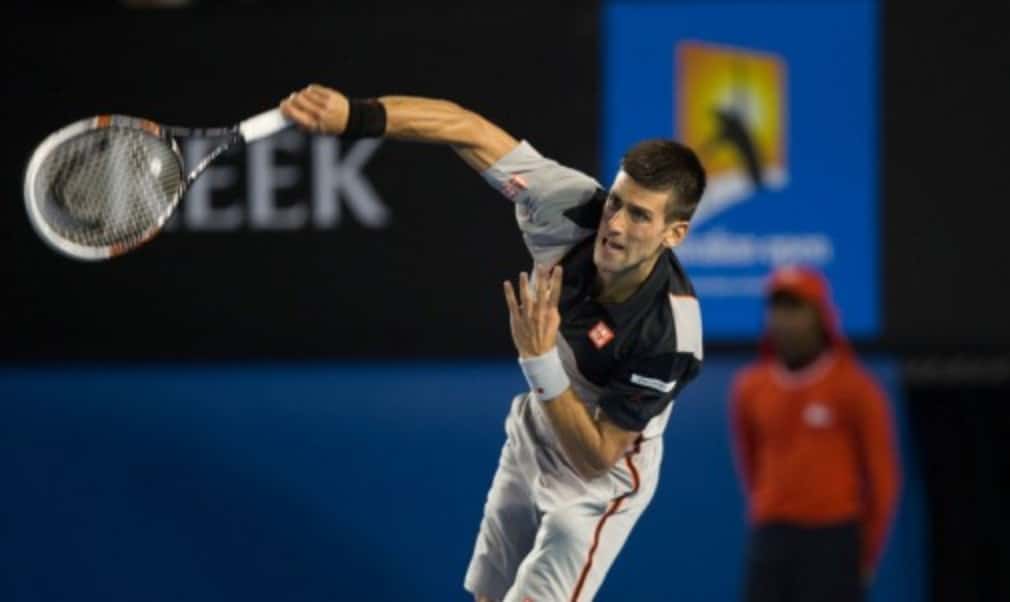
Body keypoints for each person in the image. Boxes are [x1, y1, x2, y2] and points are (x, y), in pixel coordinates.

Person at [281, 85, 706, 602]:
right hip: (537, 431)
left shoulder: (670, 335)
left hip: (601, 484)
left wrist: (540, 358)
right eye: (616, 202)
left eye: (639, 215)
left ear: (674, 233)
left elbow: (596, 456)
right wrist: (356, 116)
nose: (613, 226)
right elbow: (465, 128)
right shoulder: (569, 206)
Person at [730, 266, 901, 602]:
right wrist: (768, 509)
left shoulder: (856, 389)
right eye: (777, 308)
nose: (784, 319)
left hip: (834, 541)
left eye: (796, 308)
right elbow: (749, 463)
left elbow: (882, 479)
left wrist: (868, 553)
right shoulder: (749, 388)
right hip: (771, 538)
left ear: (820, 316)